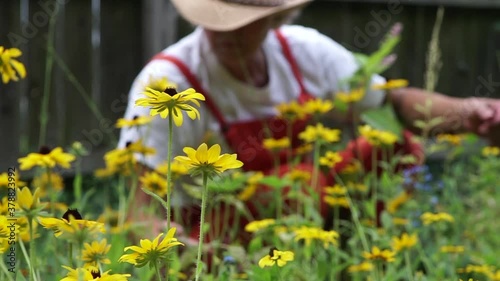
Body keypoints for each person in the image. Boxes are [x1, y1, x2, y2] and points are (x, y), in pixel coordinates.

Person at [118, 0, 500, 237]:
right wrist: (168, 244)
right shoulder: (168, 84)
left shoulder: (303, 52)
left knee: (389, 147)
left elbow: (394, 103)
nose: (223, 30)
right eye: (216, 14)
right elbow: (139, 202)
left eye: (240, 19)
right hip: (216, 232)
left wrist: (468, 114)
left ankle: (362, 253)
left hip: (309, 210)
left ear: (275, 17)